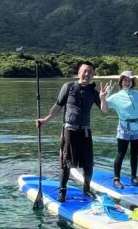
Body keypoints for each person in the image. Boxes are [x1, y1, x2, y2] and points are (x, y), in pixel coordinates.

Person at [36, 62, 111, 202]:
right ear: (79, 73)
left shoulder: (94, 92)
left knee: (88, 163)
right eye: (84, 71)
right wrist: (45, 121)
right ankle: (62, 191)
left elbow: (105, 110)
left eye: (90, 72)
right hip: (69, 130)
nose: (87, 74)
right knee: (66, 162)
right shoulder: (68, 87)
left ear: (93, 75)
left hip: (86, 131)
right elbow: (58, 107)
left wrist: (102, 98)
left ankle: (86, 189)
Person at [104, 70, 138, 188]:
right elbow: (104, 104)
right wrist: (107, 92)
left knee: (134, 154)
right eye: (125, 80)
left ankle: (134, 177)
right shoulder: (116, 97)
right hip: (124, 129)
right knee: (121, 154)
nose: (127, 82)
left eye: (130, 80)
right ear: (121, 82)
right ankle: (116, 179)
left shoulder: (137, 94)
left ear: (132, 82)